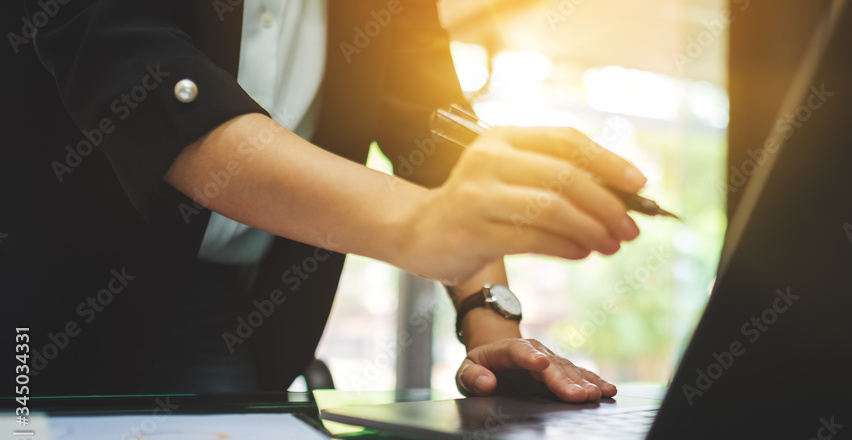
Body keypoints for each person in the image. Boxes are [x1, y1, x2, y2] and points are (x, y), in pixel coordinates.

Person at [3, 0, 645, 400]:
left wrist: (492, 325)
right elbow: (149, 90)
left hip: (238, 316)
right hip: (47, 313)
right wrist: (417, 224)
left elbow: (434, 129)